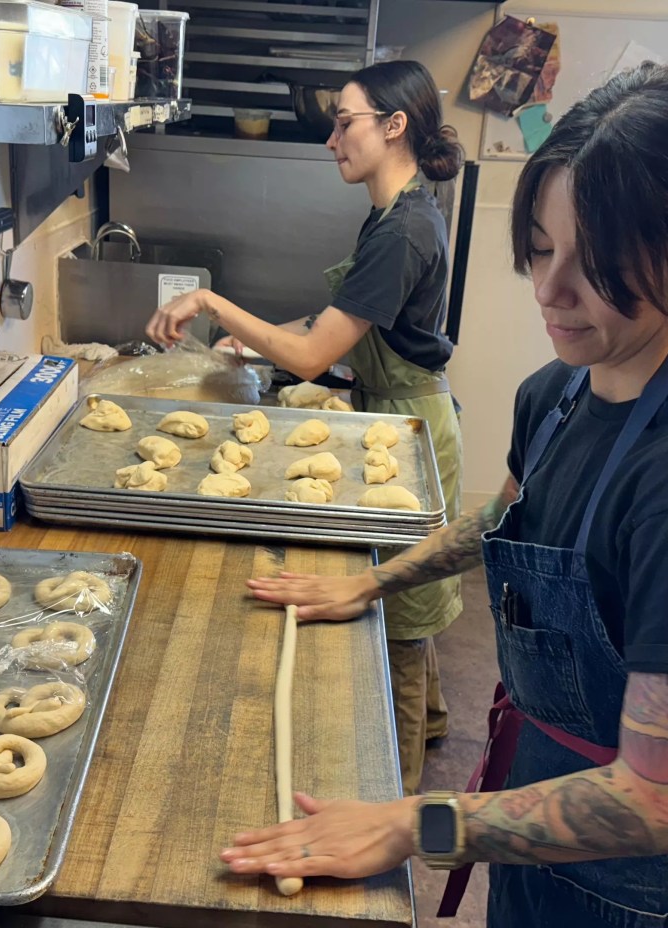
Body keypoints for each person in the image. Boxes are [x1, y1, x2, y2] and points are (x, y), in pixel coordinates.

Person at [229, 58, 668, 926]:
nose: (550, 289)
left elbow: (660, 801)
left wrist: (411, 823)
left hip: (634, 894)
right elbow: (506, 516)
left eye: (598, 265)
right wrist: (372, 580)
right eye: (539, 247)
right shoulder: (560, 390)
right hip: (533, 811)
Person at [146, 61, 465, 794]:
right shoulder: (395, 212)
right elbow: (339, 324)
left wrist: (215, 305)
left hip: (408, 428)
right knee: (413, 597)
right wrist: (246, 342)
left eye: (344, 122)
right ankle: (437, 721)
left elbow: (318, 355)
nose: (331, 140)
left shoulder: (404, 228)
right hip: (397, 413)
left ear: (394, 126)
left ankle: (398, 804)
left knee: (403, 623)